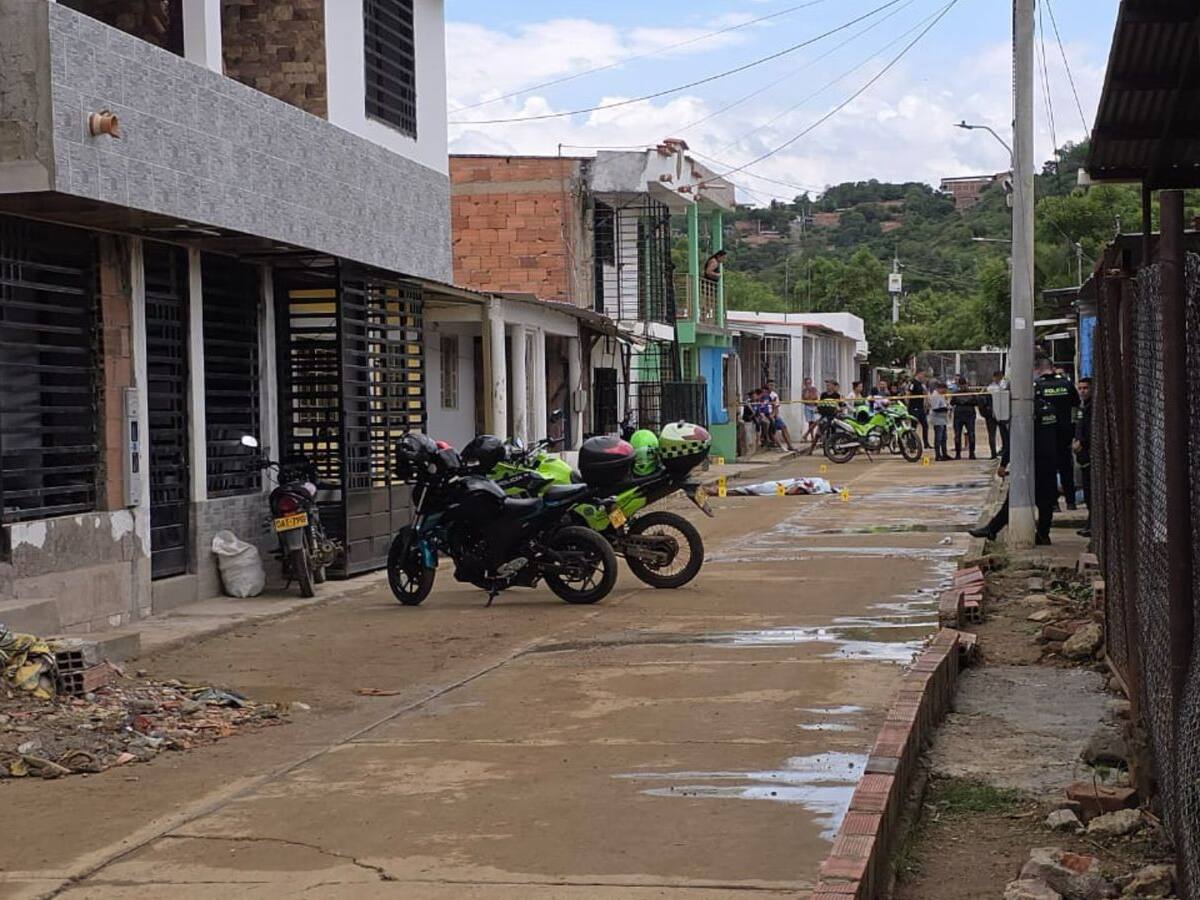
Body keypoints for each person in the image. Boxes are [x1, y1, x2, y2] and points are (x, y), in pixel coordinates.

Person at [970, 355, 1064, 545]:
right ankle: (1043, 535)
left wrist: (1004, 463)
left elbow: (1015, 442)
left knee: (1016, 496)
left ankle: (992, 529)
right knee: (1046, 501)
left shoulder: (1026, 414)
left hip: (1031, 460)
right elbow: (1062, 433)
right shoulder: (1051, 410)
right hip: (1051, 459)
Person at [1040, 365, 1081, 509]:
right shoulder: (1066, 384)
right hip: (1066, 432)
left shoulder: (1038, 386)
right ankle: (1071, 502)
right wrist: (1075, 430)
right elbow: (1076, 406)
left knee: (1049, 469)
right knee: (1066, 467)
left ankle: (1053, 503)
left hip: (1046, 433)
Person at [1074, 377, 1093, 537]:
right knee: (1087, 493)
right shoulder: (1083, 406)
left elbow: (1090, 431)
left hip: (1089, 454)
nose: (1082, 391)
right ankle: (1090, 523)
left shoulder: (1091, 408)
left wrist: (1081, 442)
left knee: (1091, 493)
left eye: (1085, 388)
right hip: (1083, 456)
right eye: (1080, 388)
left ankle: (1092, 524)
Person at [983, 370, 1010, 460]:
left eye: (1000, 377)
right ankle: (993, 453)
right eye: (997, 377)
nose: (999, 379)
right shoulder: (990, 388)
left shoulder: (1004, 386)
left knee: (1004, 434)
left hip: (1002, 413)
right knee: (992, 435)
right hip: (992, 414)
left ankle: (1004, 450)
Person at [951, 375, 977, 459]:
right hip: (969, 414)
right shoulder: (971, 393)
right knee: (971, 433)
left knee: (957, 434)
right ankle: (972, 454)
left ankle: (958, 454)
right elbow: (976, 402)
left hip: (958, 414)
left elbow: (952, 402)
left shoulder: (956, 393)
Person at [764, 379, 795, 451]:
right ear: (766, 385)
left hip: (773, 415)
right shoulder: (764, 395)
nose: (771, 387)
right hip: (765, 415)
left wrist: (773, 415)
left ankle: (789, 445)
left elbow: (776, 407)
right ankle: (779, 445)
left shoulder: (774, 395)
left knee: (783, 427)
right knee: (772, 429)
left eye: (773, 385)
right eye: (770, 385)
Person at [907, 371, 930, 448]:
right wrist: (909, 405)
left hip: (920, 408)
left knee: (925, 425)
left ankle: (926, 443)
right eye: (922, 374)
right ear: (918, 374)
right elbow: (908, 393)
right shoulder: (913, 383)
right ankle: (912, 444)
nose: (923, 376)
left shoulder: (921, 384)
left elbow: (924, 393)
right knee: (913, 426)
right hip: (914, 408)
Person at [929, 381, 950, 461]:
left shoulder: (941, 395)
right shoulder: (935, 396)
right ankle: (938, 455)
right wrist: (945, 409)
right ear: (940, 389)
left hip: (943, 419)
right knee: (938, 438)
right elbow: (935, 408)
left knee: (944, 438)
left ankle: (944, 453)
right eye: (944, 390)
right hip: (937, 419)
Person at [800, 377, 820, 445]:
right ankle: (811, 436)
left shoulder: (814, 389)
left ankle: (807, 435)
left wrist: (816, 405)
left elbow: (815, 397)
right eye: (807, 383)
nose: (808, 384)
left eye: (809, 383)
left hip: (814, 406)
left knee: (815, 422)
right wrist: (807, 392)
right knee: (810, 422)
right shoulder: (804, 390)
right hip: (807, 407)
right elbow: (805, 398)